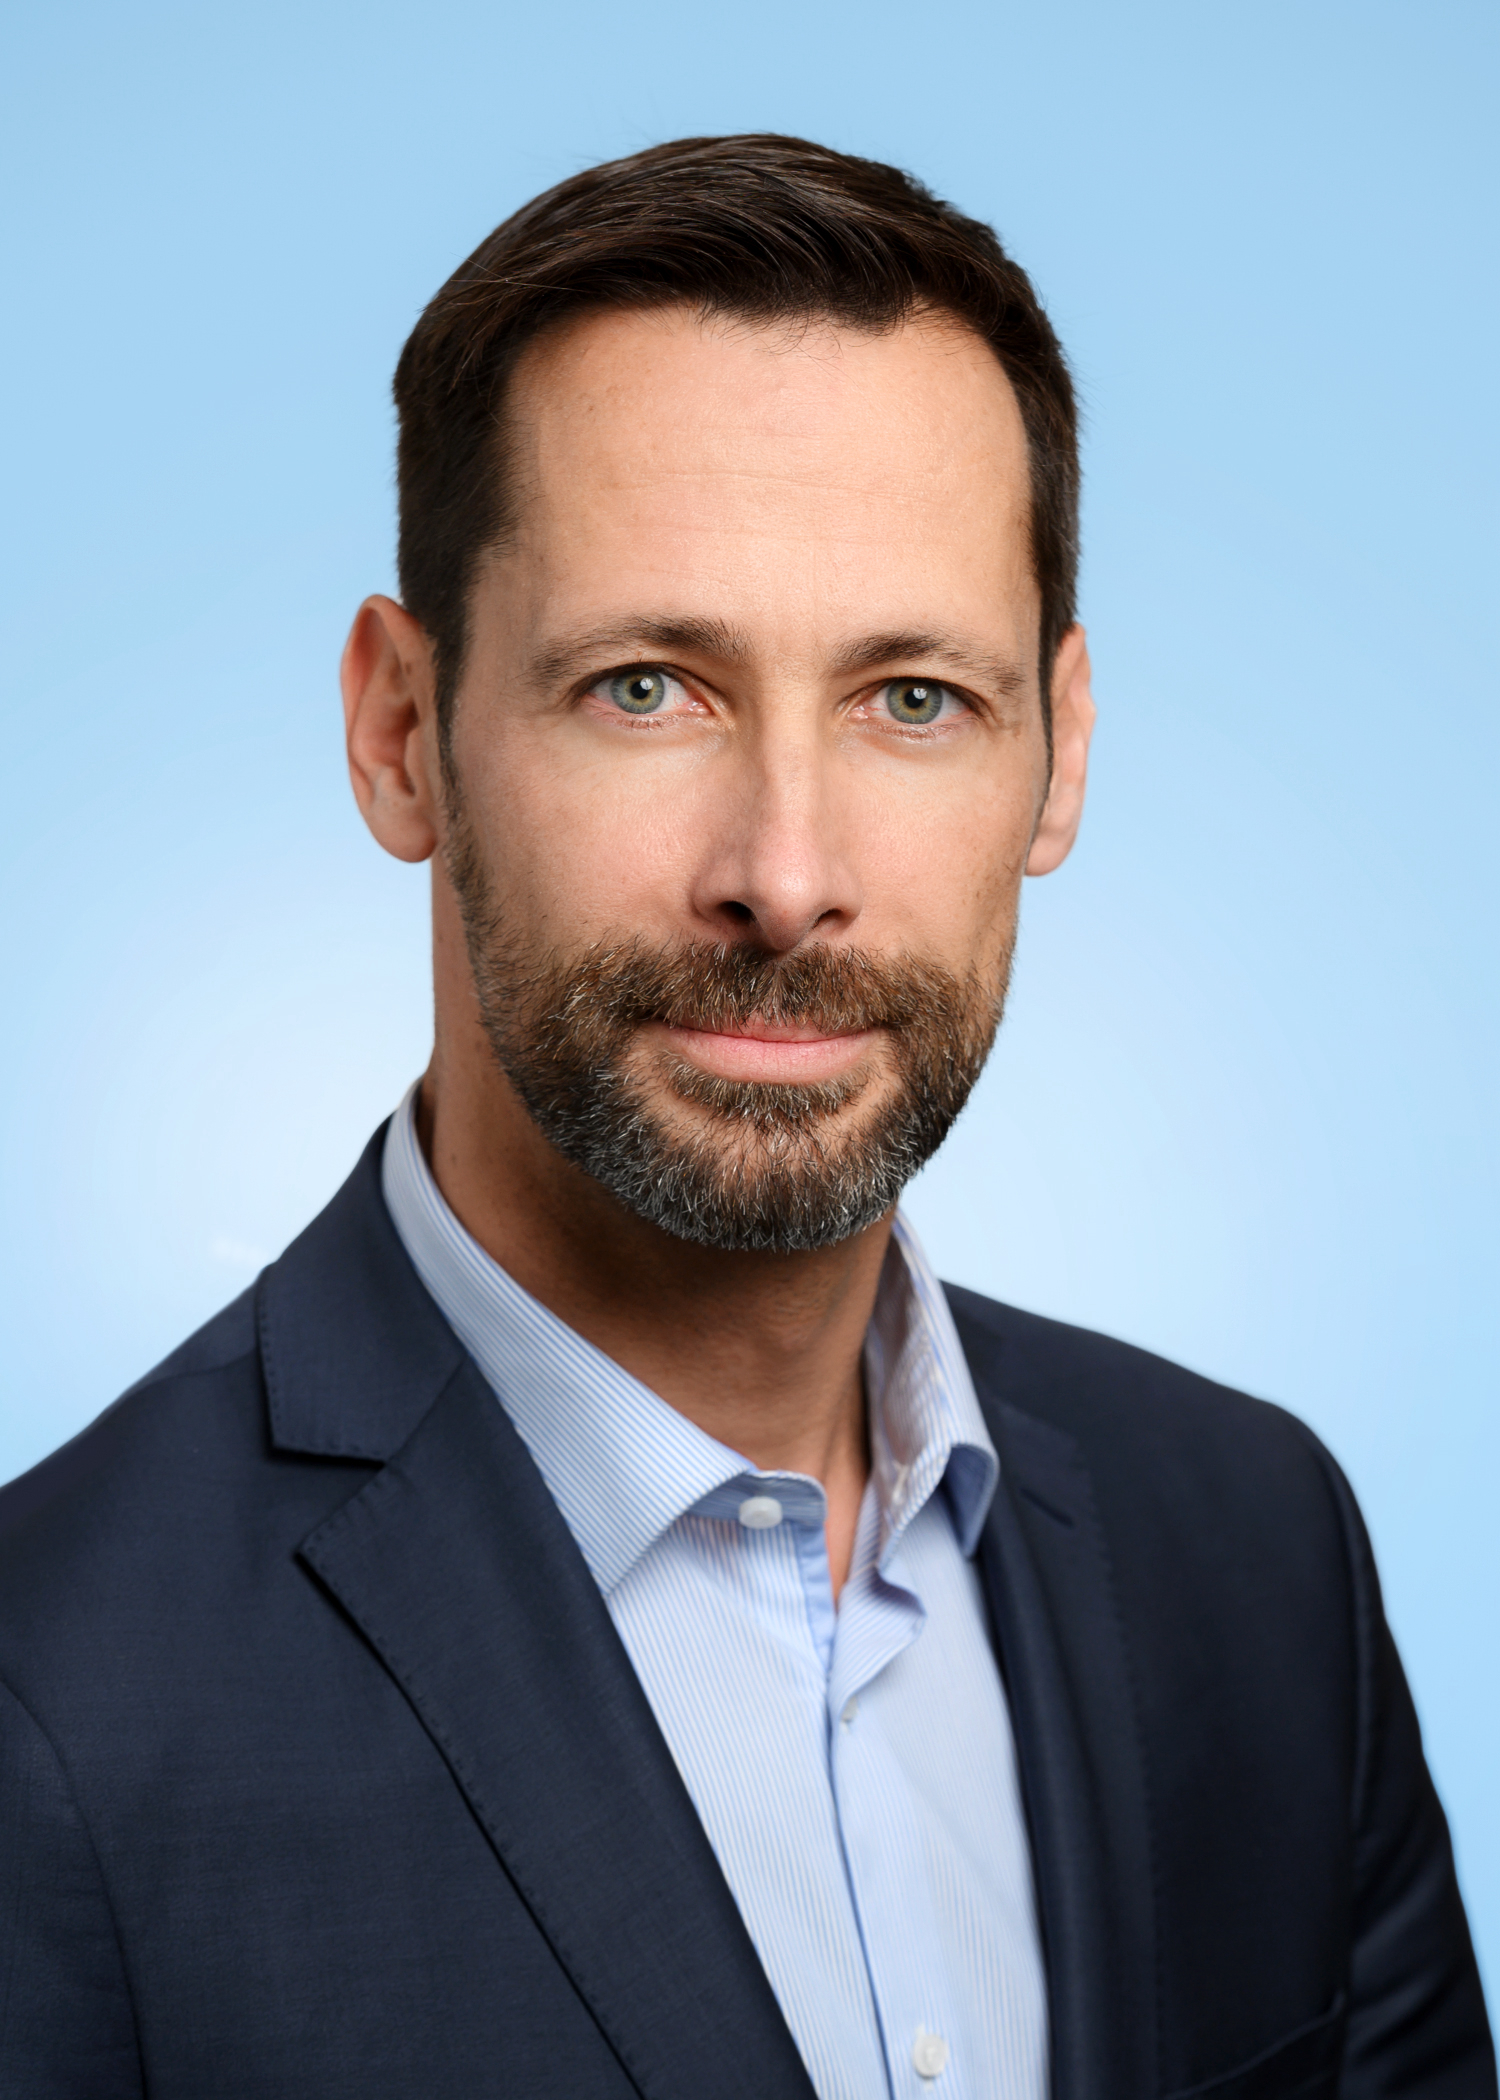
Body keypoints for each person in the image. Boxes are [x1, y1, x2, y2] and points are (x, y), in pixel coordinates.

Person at [0, 133, 1490, 2100]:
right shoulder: (51, 1713)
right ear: (400, 734)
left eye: (913, 699)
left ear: (1059, 756)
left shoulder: (1260, 1550)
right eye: (647, 689)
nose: (785, 879)